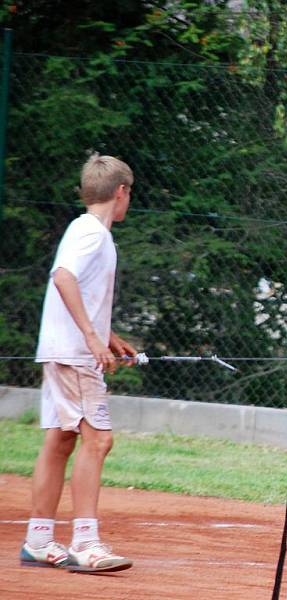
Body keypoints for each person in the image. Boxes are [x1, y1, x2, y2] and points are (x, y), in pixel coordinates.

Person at [20, 153, 137, 573]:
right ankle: (86, 544)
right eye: (129, 194)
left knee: (60, 440)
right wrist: (91, 338)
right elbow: (63, 277)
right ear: (120, 192)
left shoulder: (81, 228)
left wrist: (106, 335)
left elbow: (76, 288)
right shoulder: (94, 235)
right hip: (74, 354)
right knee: (98, 440)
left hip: (60, 349)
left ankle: (38, 540)